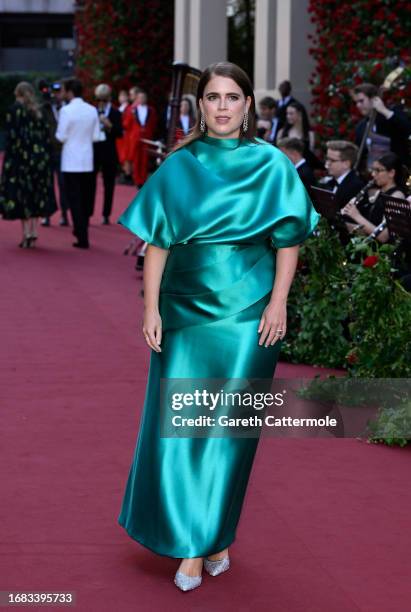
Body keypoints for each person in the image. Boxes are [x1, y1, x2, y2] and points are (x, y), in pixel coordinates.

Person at [116, 61, 319, 592]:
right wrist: (149, 308)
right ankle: (204, 538)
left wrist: (279, 303)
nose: (223, 106)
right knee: (181, 428)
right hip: (183, 312)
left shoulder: (272, 166)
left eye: (232, 97)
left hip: (248, 313)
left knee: (229, 431)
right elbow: (158, 242)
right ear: (199, 106)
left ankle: (199, 541)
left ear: (248, 105)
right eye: (213, 97)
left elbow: (288, 240)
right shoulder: (179, 166)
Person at [0, 81, 57, 248]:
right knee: (37, 192)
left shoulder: (13, 110)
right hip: (39, 159)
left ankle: (26, 233)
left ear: (17, 93)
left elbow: (12, 137)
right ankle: (34, 230)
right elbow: (47, 136)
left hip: (19, 159)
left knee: (22, 194)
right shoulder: (39, 111)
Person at [56, 78, 100, 249]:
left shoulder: (66, 111)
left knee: (74, 199)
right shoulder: (92, 110)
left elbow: (61, 136)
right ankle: (82, 233)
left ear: (69, 92)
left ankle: (81, 235)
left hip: (70, 161)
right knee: (84, 197)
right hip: (87, 159)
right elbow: (96, 136)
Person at [341, 152, 407, 242]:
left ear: (391, 173)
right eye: (373, 170)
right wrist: (342, 223)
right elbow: (368, 231)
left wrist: (356, 216)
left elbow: (383, 237)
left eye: (378, 170)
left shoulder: (397, 196)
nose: (373, 174)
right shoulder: (378, 193)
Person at [353, 83, 411, 169]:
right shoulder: (360, 127)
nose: (358, 105)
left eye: (361, 101)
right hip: (374, 174)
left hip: (398, 172)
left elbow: (407, 129)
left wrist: (384, 111)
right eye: (356, 102)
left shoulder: (391, 114)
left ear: (373, 99)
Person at [90, 83, 123, 225]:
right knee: (90, 184)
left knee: (109, 185)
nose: (101, 103)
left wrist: (109, 124)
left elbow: (120, 133)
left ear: (109, 98)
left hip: (109, 152)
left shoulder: (116, 113)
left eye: (103, 99)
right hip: (94, 152)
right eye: (99, 99)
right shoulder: (91, 111)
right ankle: (88, 212)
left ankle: (106, 214)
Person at [40, 81, 70, 227]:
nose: (56, 95)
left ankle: (64, 214)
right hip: (48, 151)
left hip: (64, 152)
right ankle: (47, 215)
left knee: (63, 184)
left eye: (59, 92)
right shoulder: (44, 108)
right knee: (47, 184)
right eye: (54, 92)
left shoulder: (69, 108)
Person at [323, 140, 365, 207]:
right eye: (327, 159)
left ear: (346, 164)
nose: (327, 163)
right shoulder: (329, 182)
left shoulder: (356, 187)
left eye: (332, 160)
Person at [130, 90, 158, 188]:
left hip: (147, 138)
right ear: (137, 99)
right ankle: (137, 180)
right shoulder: (132, 110)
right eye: (140, 97)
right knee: (136, 160)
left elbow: (154, 124)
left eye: (143, 97)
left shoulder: (151, 110)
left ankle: (143, 180)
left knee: (145, 160)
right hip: (136, 139)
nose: (142, 99)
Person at [116, 89, 131, 182]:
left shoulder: (128, 108)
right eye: (120, 96)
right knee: (121, 155)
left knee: (126, 156)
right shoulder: (120, 108)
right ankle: (124, 173)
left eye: (123, 96)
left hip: (126, 136)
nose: (121, 98)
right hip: (120, 136)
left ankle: (127, 174)